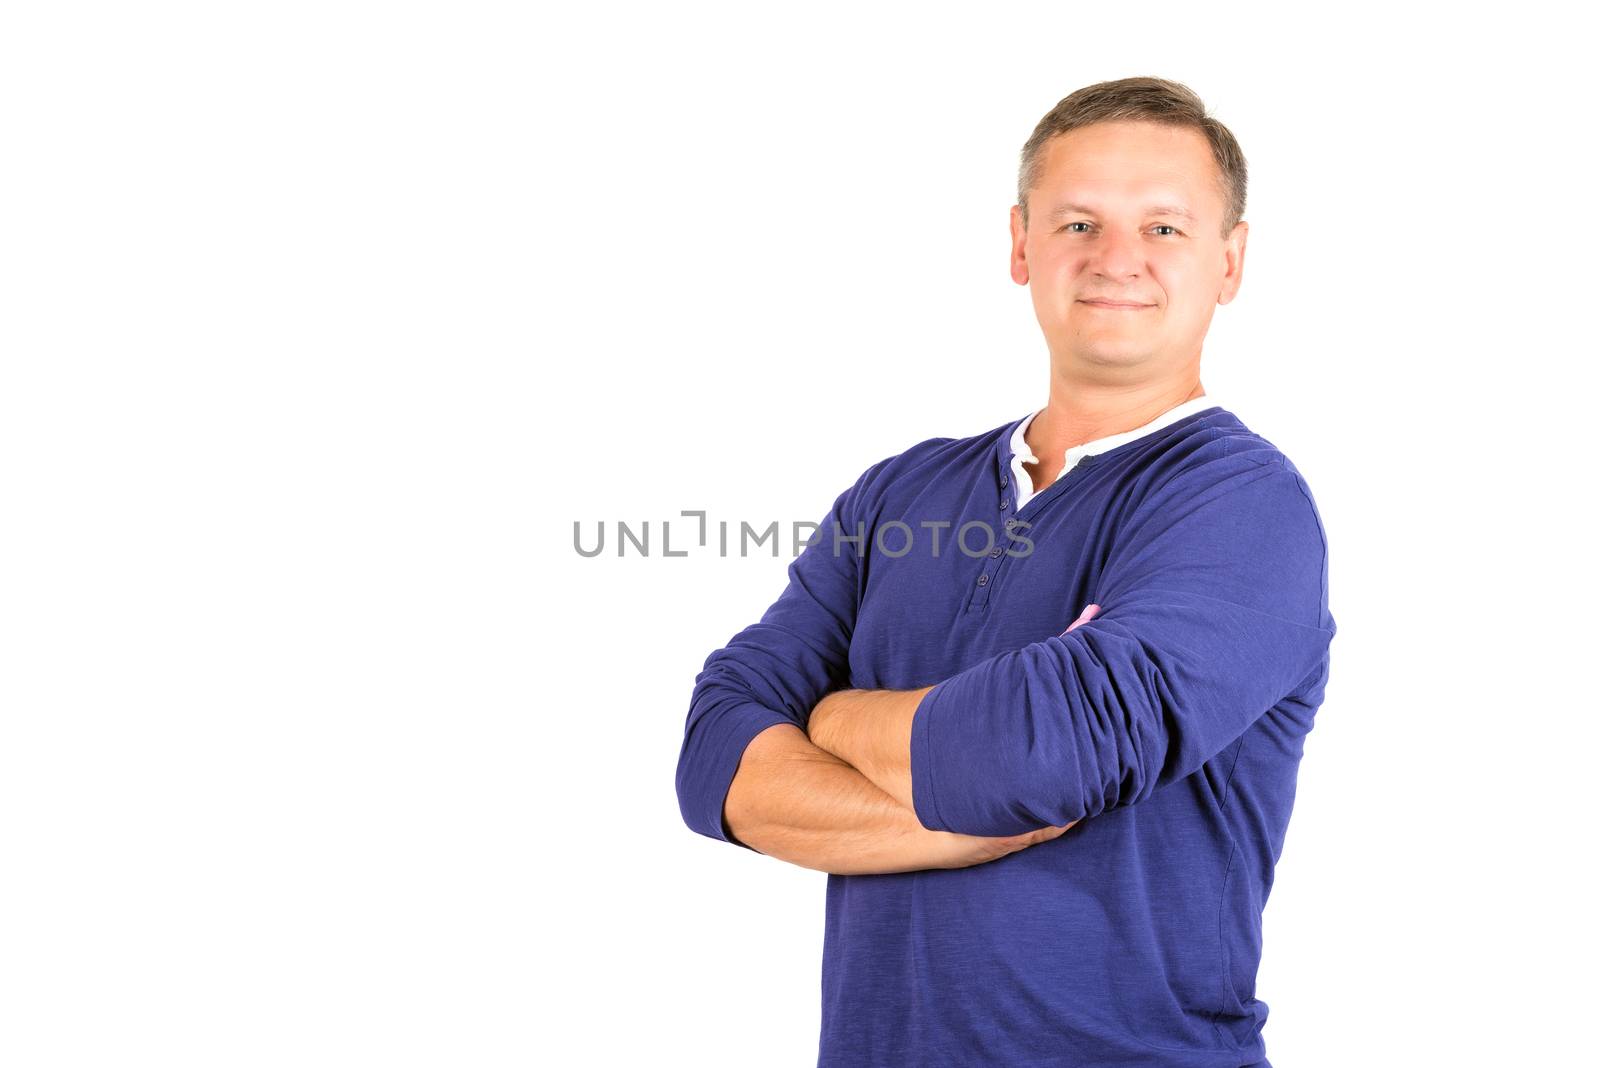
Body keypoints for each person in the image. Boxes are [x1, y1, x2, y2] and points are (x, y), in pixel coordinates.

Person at [674, 75, 1336, 1068]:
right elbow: (716, 757)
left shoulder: (1243, 507)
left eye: (1163, 228)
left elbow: (1043, 756)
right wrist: (969, 816)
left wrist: (836, 718)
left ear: (1230, 261)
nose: (1117, 259)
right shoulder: (899, 493)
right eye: (1079, 222)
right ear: (1021, 244)